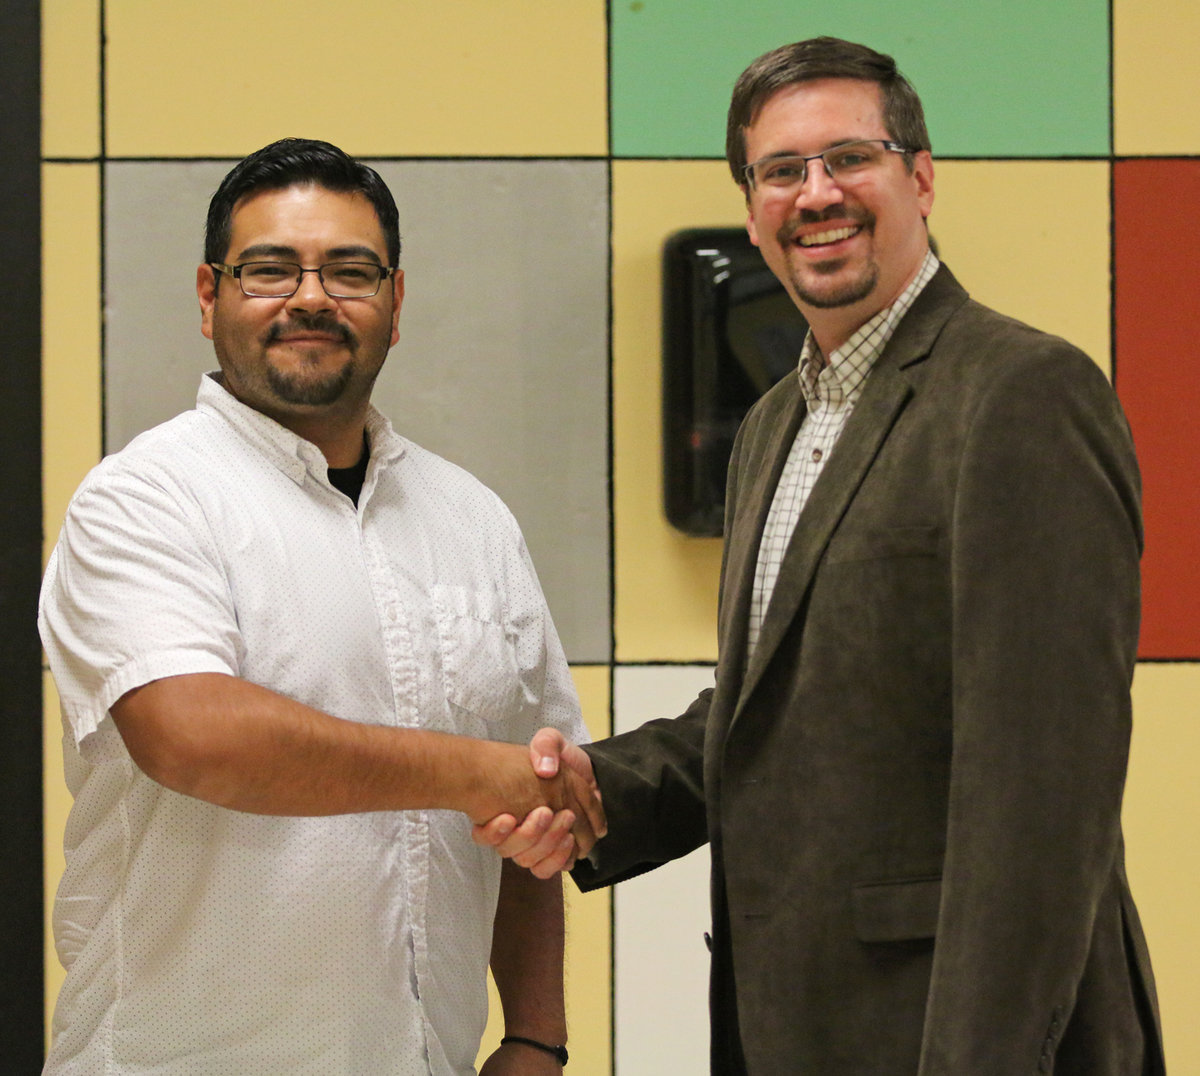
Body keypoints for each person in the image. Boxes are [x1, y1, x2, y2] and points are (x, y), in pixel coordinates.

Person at [478, 37, 1165, 1074]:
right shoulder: (772, 424)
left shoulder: (1020, 392)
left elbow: (1040, 788)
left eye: (850, 157)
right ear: (751, 208)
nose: (816, 193)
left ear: (921, 177)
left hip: (962, 1031)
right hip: (798, 1026)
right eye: (781, 171)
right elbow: (774, 715)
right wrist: (595, 796)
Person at [39, 138, 604, 1075]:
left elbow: (528, 804)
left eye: (350, 270)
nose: (311, 297)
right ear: (208, 294)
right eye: (269, 269)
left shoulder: (474, 520)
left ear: (395, 301)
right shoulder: (144, 498)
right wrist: (475, 772)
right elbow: (193, 736)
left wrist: (537, 1035)